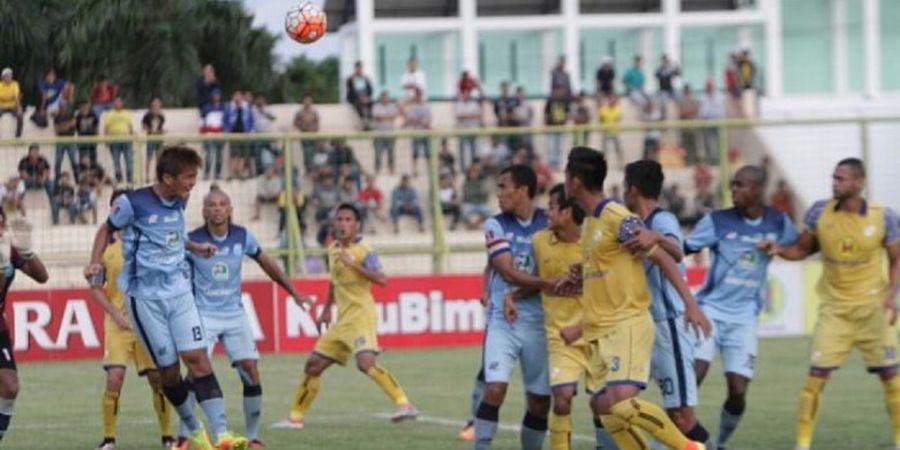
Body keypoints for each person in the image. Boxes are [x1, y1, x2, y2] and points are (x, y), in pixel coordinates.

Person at [83, 145, 249, 450]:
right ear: (168, 178)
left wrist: (193, 247)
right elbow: (105, 230)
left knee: (199, 360)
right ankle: (195, 431)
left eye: (194, 177)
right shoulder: (131, 203)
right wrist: (95, 263)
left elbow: (168, 235)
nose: (192, 184)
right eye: (188, 177)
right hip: (145, 299)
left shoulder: (181, 200)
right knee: (168, 372)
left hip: (180, 293)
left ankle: (223, 434)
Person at [562, 147, 706, 450]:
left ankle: (690, 447)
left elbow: (665, 257)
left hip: (627, 323)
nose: (563, 180)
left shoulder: (617, 217)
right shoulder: (589, 224)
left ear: (575, 182)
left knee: (624, 406)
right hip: (603, 332)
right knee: (608, 412)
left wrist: (691, 305)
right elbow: (607, 269)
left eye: (566, 174)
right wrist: (581, 273)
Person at [760, 158, 900, 450]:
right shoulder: (818, 213)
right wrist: (779, 250)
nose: (834, 183)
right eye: (833, 178)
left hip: (873, 311)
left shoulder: (883, 216)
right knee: (815, 380)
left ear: (859, 182)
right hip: (834, 311)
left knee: (892, 379)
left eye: (841, 179)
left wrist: (893, 296)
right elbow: (802, 248)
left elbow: (897, 257)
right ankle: (802, 444)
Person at [180, 188, 312, 449]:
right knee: (195, 373)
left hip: (234, 314)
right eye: (212, 205)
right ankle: (184, 437)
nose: (217, 209)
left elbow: (268, 264)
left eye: (222, 204)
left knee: (251, 371)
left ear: (230, 209)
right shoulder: (192, 241)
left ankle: (252, 438)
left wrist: (294, 292)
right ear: (204, 211)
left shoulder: (242, 236)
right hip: (202, 315)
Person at [684, 165, 798, 450]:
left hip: (745, 317)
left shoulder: (778, 221)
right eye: (732, 185)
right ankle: (668, 441)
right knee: (694, 376)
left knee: (737, 392)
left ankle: (719, 443)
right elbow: (682, 249)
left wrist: (780, 249)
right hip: (710, 310)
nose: (733, 190)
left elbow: (801, 247)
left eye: (740, 185)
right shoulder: (718, 221)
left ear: (757, 189)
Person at [286, 203, 419, 427]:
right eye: (339, 220)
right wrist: (327, 308)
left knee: (365, 363)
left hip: (361, 316)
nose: (343, 224)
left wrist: (354, 265)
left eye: (348, 220)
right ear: (334, 224)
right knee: (313, 365)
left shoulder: (365, 250)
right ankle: (295, 418)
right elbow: (334, 280)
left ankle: (404, 404)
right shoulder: (333, 249)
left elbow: (382, 279)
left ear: (357, 225)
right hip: (342, 321)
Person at [621, 160, 714, 448]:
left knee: (682, 416)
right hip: (642, 325)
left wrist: (657, 237)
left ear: (633, 189)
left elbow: (676, 252)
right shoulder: (630, 223)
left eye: (625, 187)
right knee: (615, 401)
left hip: (668, 325)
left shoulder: (662, 221)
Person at [473, 164, 556, 450]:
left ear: (523, 190)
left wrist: (542, 285)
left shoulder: (550, 222)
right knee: (494, 389)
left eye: (503, 187)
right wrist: (548, 282)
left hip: (539, 322)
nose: (498, 194)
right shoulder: (495, 225)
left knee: (540, 402)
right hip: (502, 320)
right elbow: (506, 271)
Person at [88, 189, 175, 450]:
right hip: (118, 325)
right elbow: (95, 288)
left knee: (158, 380)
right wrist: (114, 313)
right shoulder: (107, 252)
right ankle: (108, 439)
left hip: (147, 324)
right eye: (115, 206)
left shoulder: (151, 244)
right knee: (114, 377)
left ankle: (168, 436)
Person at [528, 183, 605, 450]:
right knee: (561, 399)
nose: (546, 212)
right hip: (560, 336)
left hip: (597, 334)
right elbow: (531, 279)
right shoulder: (539, 241)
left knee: (603, 405)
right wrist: (511, 296)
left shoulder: (594, 242)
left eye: (551, 207)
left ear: (567, 212)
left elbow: (610, 286)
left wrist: (583, 281)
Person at [0, 211, 48, 442]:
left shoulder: (7, 249)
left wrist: (27, 252)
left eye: (2, 221)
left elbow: (42, 277)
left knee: (10, 386)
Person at [104, 97, 134, 185]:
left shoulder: (126, 113)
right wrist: (106, 139)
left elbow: (130, 126)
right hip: (114, 140)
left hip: (126, 140)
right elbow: (106, 128)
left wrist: (132, 136)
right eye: (116, 102)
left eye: (119, 102)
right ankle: (119, 180)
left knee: (129, 160)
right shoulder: (110, 114)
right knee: (116, 162)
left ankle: (130, 180)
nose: (118, 104)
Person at [403, 88, 431, 177]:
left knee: (428, 153)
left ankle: (429, 168)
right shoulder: (413, 108)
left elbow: (427, 122)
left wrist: (418, 120)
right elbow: (410, 120)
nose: (418, 97)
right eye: (417, 95)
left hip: (425, 133)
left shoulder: (426, 107)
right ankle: (415, 170)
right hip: (416, 133)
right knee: (415, 153)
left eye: (420, 95)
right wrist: (419, 121)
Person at [201, 91, 227, 180]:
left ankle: (218, 173)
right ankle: (207, 173)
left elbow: (225, 122)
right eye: (215, 96)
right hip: (210, 134)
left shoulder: (223, 108)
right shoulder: (207, 108)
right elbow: (202, 122)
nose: (216, 97)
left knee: (219, 155)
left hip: (219, 134)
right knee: (209, 155)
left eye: (218, 95)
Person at [371, 91, 399, 175]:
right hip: (379, 134)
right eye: (383, 97)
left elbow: (394, 116)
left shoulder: (392, 106)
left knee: (391, 152)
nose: (384, 99)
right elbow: (377, 117)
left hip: (390, 133)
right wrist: (388, 117)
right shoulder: (376, 106)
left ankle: (391, 169)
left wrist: (383, 117)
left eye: (386, 97)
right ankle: (377, 170)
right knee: (378, 153)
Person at [455, 89, 482, 173]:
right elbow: (459, 116)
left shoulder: (474, 104)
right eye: (465, 94)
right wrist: (470, 115)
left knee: (474, 151)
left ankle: (474, 168)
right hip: (462, 131)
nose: (466, 96)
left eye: (468, 94)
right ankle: (463, 169)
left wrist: (466, 115)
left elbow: (478, 115)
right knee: (461, 151)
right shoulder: (459, 104)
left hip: (473, 130)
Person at [543, 87, 570, 169]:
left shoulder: (564, 102)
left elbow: (567, 113)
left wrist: (565, 122)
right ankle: (551, 163)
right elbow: (546, 114)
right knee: (551, 146)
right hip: (552, 127)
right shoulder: (550, 101)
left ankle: (558, 163)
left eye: (560, 90)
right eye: (557, 90)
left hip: (561, 127)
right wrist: (546, 125)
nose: (559, 92)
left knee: (559, 146)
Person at [294, 94, 320, 174]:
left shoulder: (314, 112)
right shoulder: (300, 113)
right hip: (305, 135)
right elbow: (296, 123)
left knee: (313, 153)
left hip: (313, 135)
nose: (307, 102)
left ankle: (313, 170)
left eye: (309, 101)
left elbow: (317, 123)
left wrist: (314, 128)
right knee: (307, 153)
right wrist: (303, 125)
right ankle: (308, 170)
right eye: (306, 100)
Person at [142, 97, 166, 182]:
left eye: (158, 103)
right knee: (149, 157)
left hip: (159, 138)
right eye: (155, 103)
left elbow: (161, 126)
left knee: (159, 158)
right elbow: (144, 126)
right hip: (151, 138)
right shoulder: (148, 115)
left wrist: (161, 131)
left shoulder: (161, 115)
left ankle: (157, 176)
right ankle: (147, 176)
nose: (156, 105)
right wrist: (150, 130)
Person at [346, 61, 373, 129]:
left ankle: (369, 122)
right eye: (357, 68)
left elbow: (370, 90)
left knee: (371, 103)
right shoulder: (351, 79)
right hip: (355, 98)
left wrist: (367, 97)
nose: (359, 70)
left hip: (365, 97)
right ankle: (362, 121)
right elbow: (351, 91)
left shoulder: (365, 78)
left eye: (360, 68)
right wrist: (360, 97)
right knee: (359, 104)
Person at [598, 94, 623, 168]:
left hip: (615, 132)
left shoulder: (618, 109)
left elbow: (618, 118)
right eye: (610, 99)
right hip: (606, 132)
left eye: (613, 99)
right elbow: (601, 119)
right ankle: (603, 164)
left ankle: (621, 164)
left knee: (618, 149)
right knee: (604, 150)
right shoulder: (603, 109)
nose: (612, 101)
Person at [0, 68, 23, 138]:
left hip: (13, 106)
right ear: (3, 77)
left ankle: (18, 136)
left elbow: (16, 97)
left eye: (10, 75)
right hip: (1, 106)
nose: (9, 77)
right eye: (7, 76)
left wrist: (19, 108)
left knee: (20, 116)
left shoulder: (15, 84)